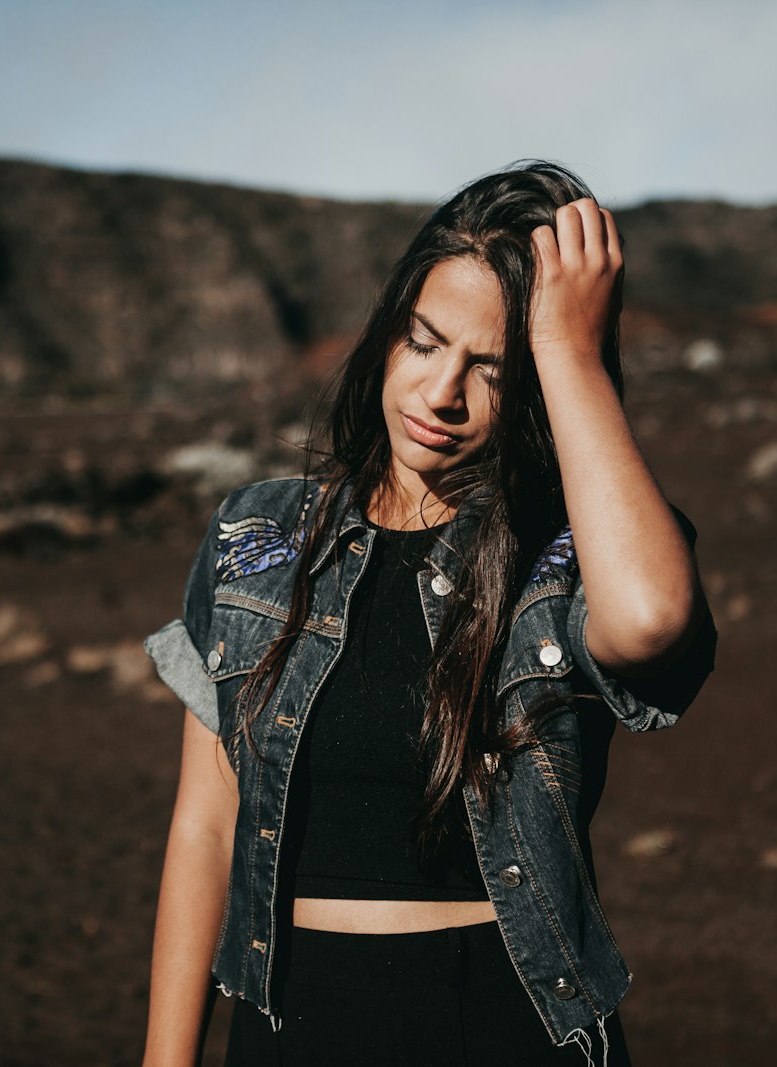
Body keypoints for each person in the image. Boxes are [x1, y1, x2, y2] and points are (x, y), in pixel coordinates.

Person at [141, 161, 717, 1067]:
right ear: (385, 336)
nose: (441, 394)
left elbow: (650, 619)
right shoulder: (256, 535)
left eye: (491, 367)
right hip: (287, 1027)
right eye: (424, 342)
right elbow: (206, 823)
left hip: (497, 1024)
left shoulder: (563, 557)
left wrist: (568, 351)